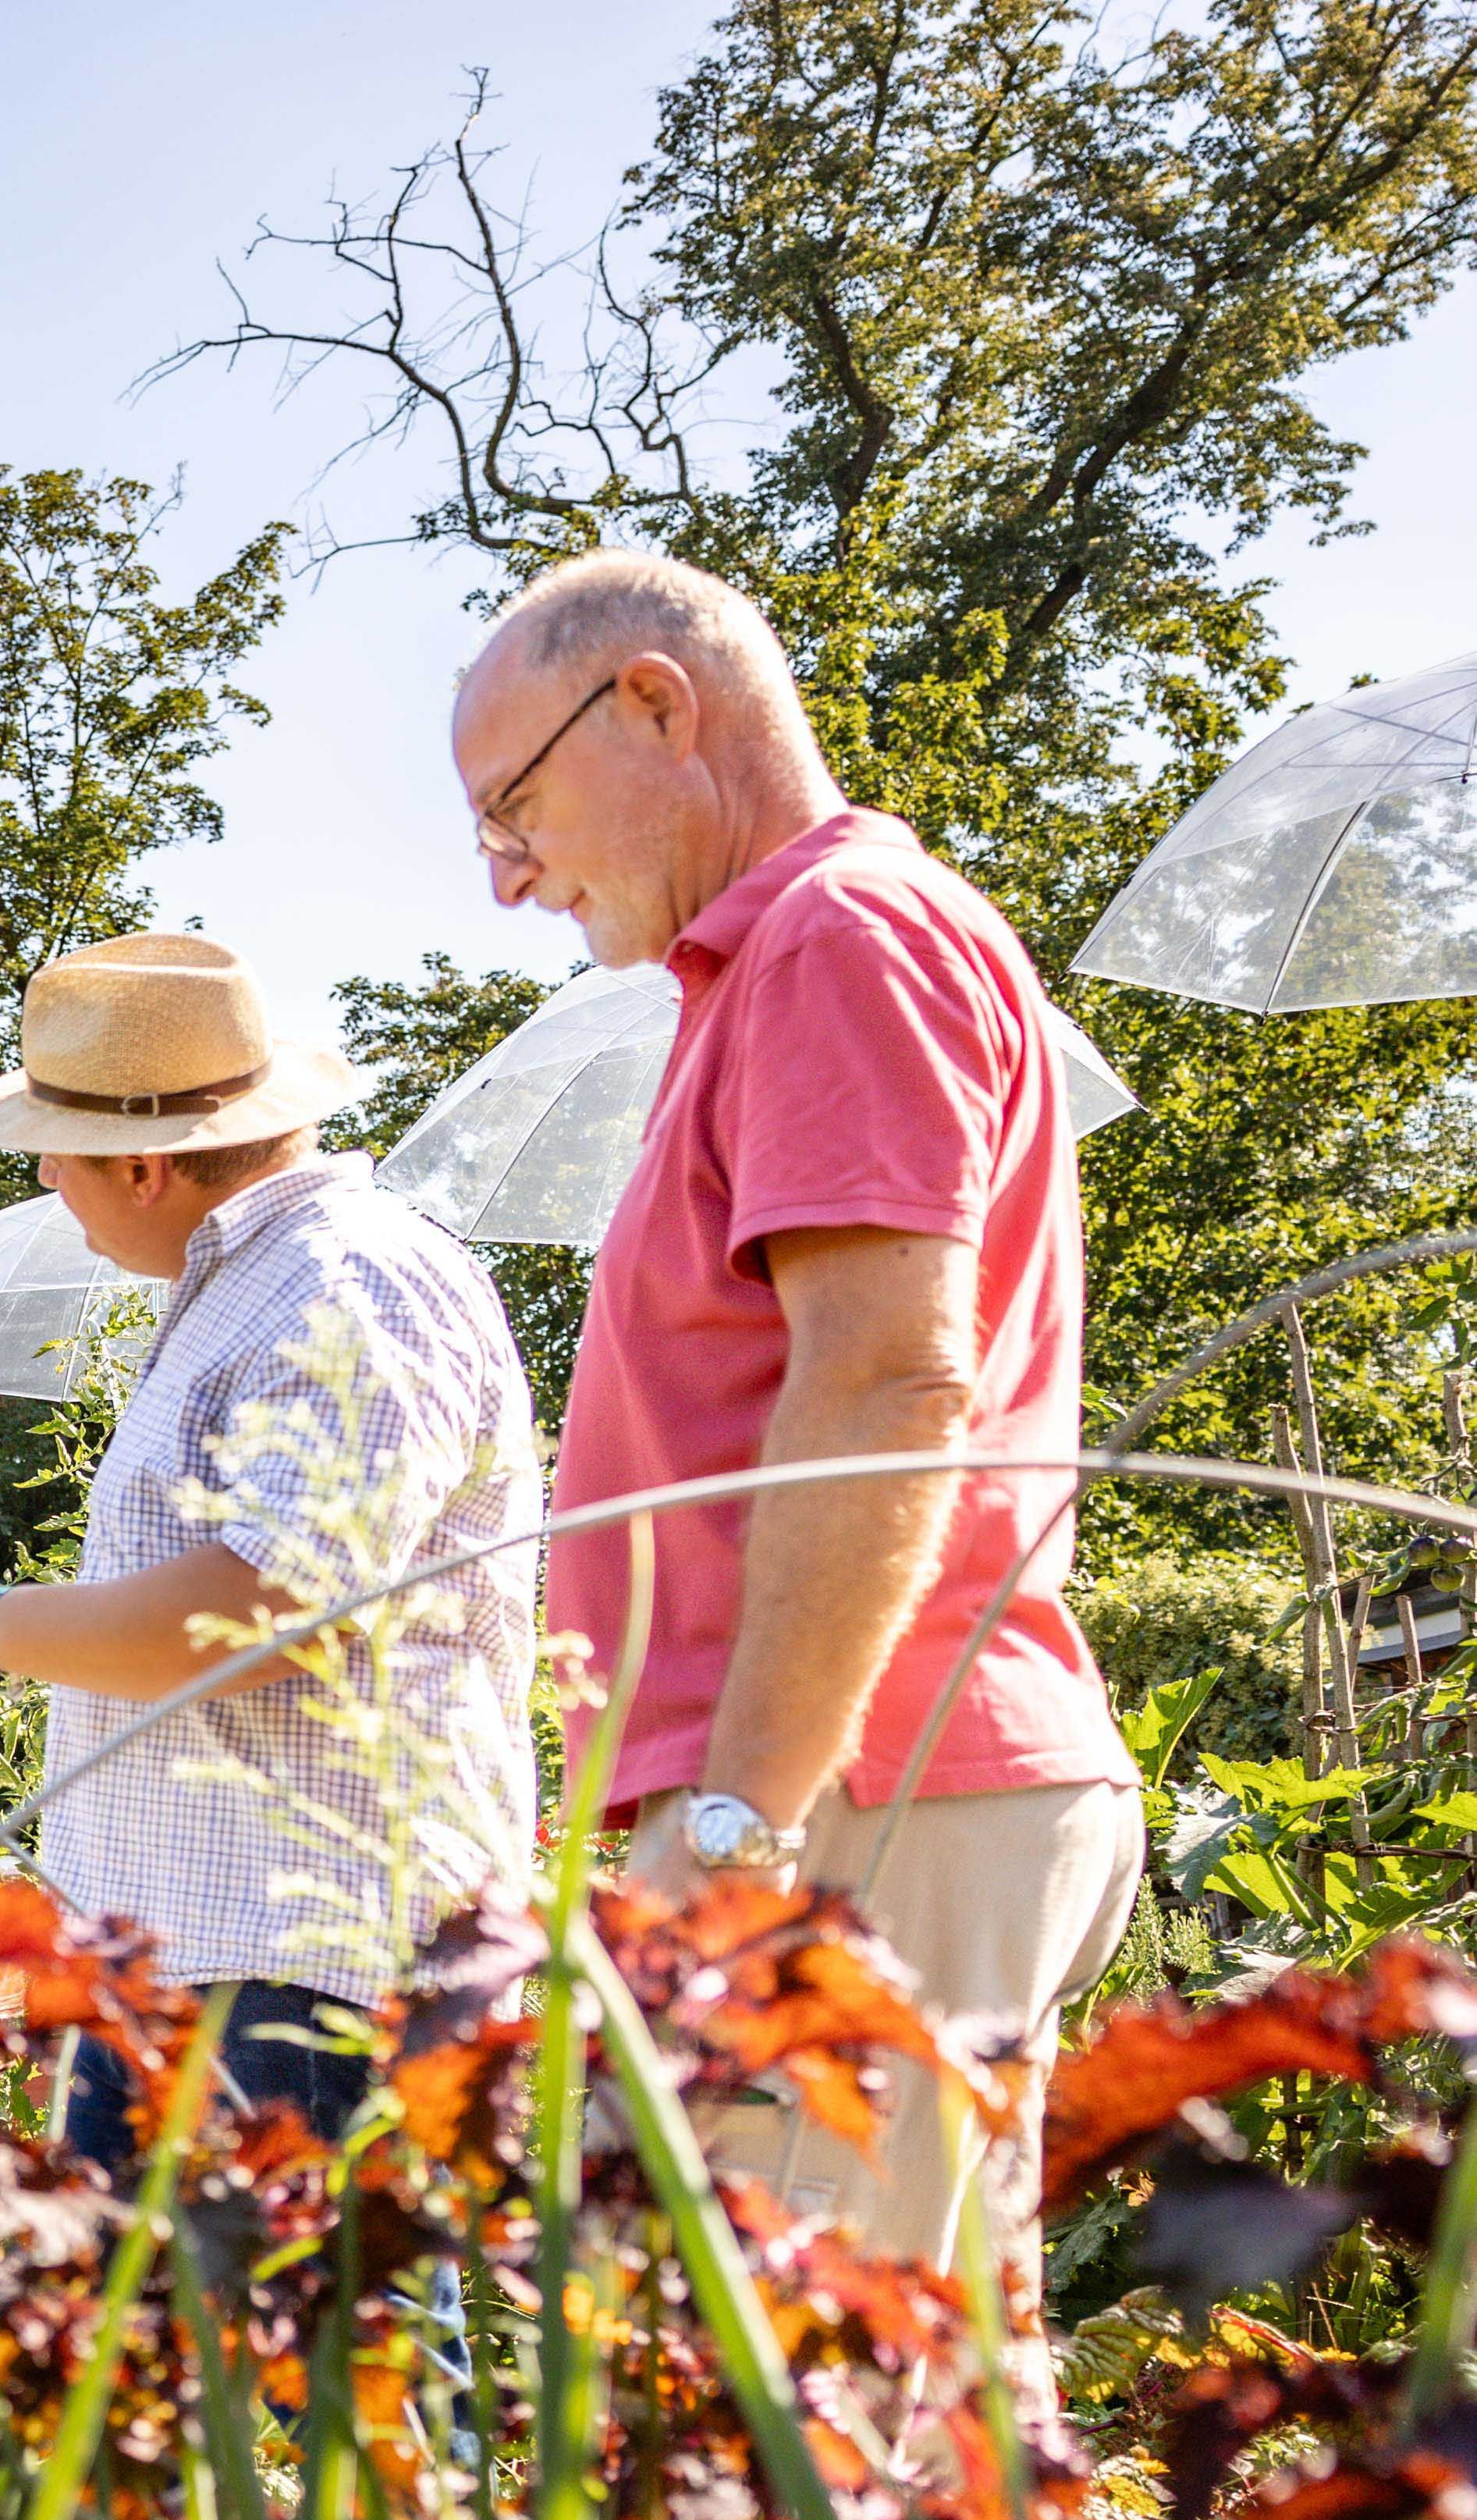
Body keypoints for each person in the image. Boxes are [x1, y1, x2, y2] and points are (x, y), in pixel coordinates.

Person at [451, 546, 1138, 2269]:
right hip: (848, 1793)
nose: (505, 877)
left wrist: (739, 1823)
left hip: (850, 1793)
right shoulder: (776, 961)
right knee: (872, 2386)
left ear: (655, 705)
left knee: (798, 2388)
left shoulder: (837, 936)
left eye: (510, 808)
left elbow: (888, 1377)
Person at [0, 933, 543, 2177]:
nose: (43, 1176)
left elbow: (278, 1603)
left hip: (297, 1975)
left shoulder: (347, 1281)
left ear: (141, 1165)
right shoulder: (263, 1285)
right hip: (208, 1962)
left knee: (301, 2310)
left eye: (54, 1147)